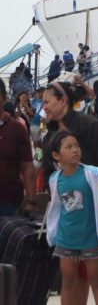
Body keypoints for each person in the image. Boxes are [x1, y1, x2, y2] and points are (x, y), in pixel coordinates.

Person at [46, 130, 98, 305]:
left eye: (76, 145)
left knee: (97, 281)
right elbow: (56, 208)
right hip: (66, 239)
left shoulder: (92, 174)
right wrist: (53, 234)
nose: (75, 150)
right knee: (68, 282)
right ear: (56, 155)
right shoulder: (55, 180)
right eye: (68, 147)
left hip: (91, 238)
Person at [0, 79, 36, 217]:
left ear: (4, 98)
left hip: (9, 205)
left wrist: (31, 201)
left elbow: (27, 167)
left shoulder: (16, 129)